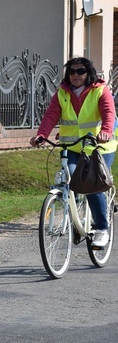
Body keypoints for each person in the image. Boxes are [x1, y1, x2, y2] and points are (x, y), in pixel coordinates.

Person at [30, 56, 116, 248]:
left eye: (80, 71)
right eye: (71, 71)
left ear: (88, 73)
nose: (75, 75)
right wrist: (41, 135)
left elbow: (108, 113)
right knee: (68, 176)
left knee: (92, 184)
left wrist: (106, 132)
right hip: (72, 146)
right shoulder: (62, 93)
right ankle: (73, 211)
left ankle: (102, 228)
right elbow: (51, 115)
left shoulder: (100, 91)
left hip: (98, 147)